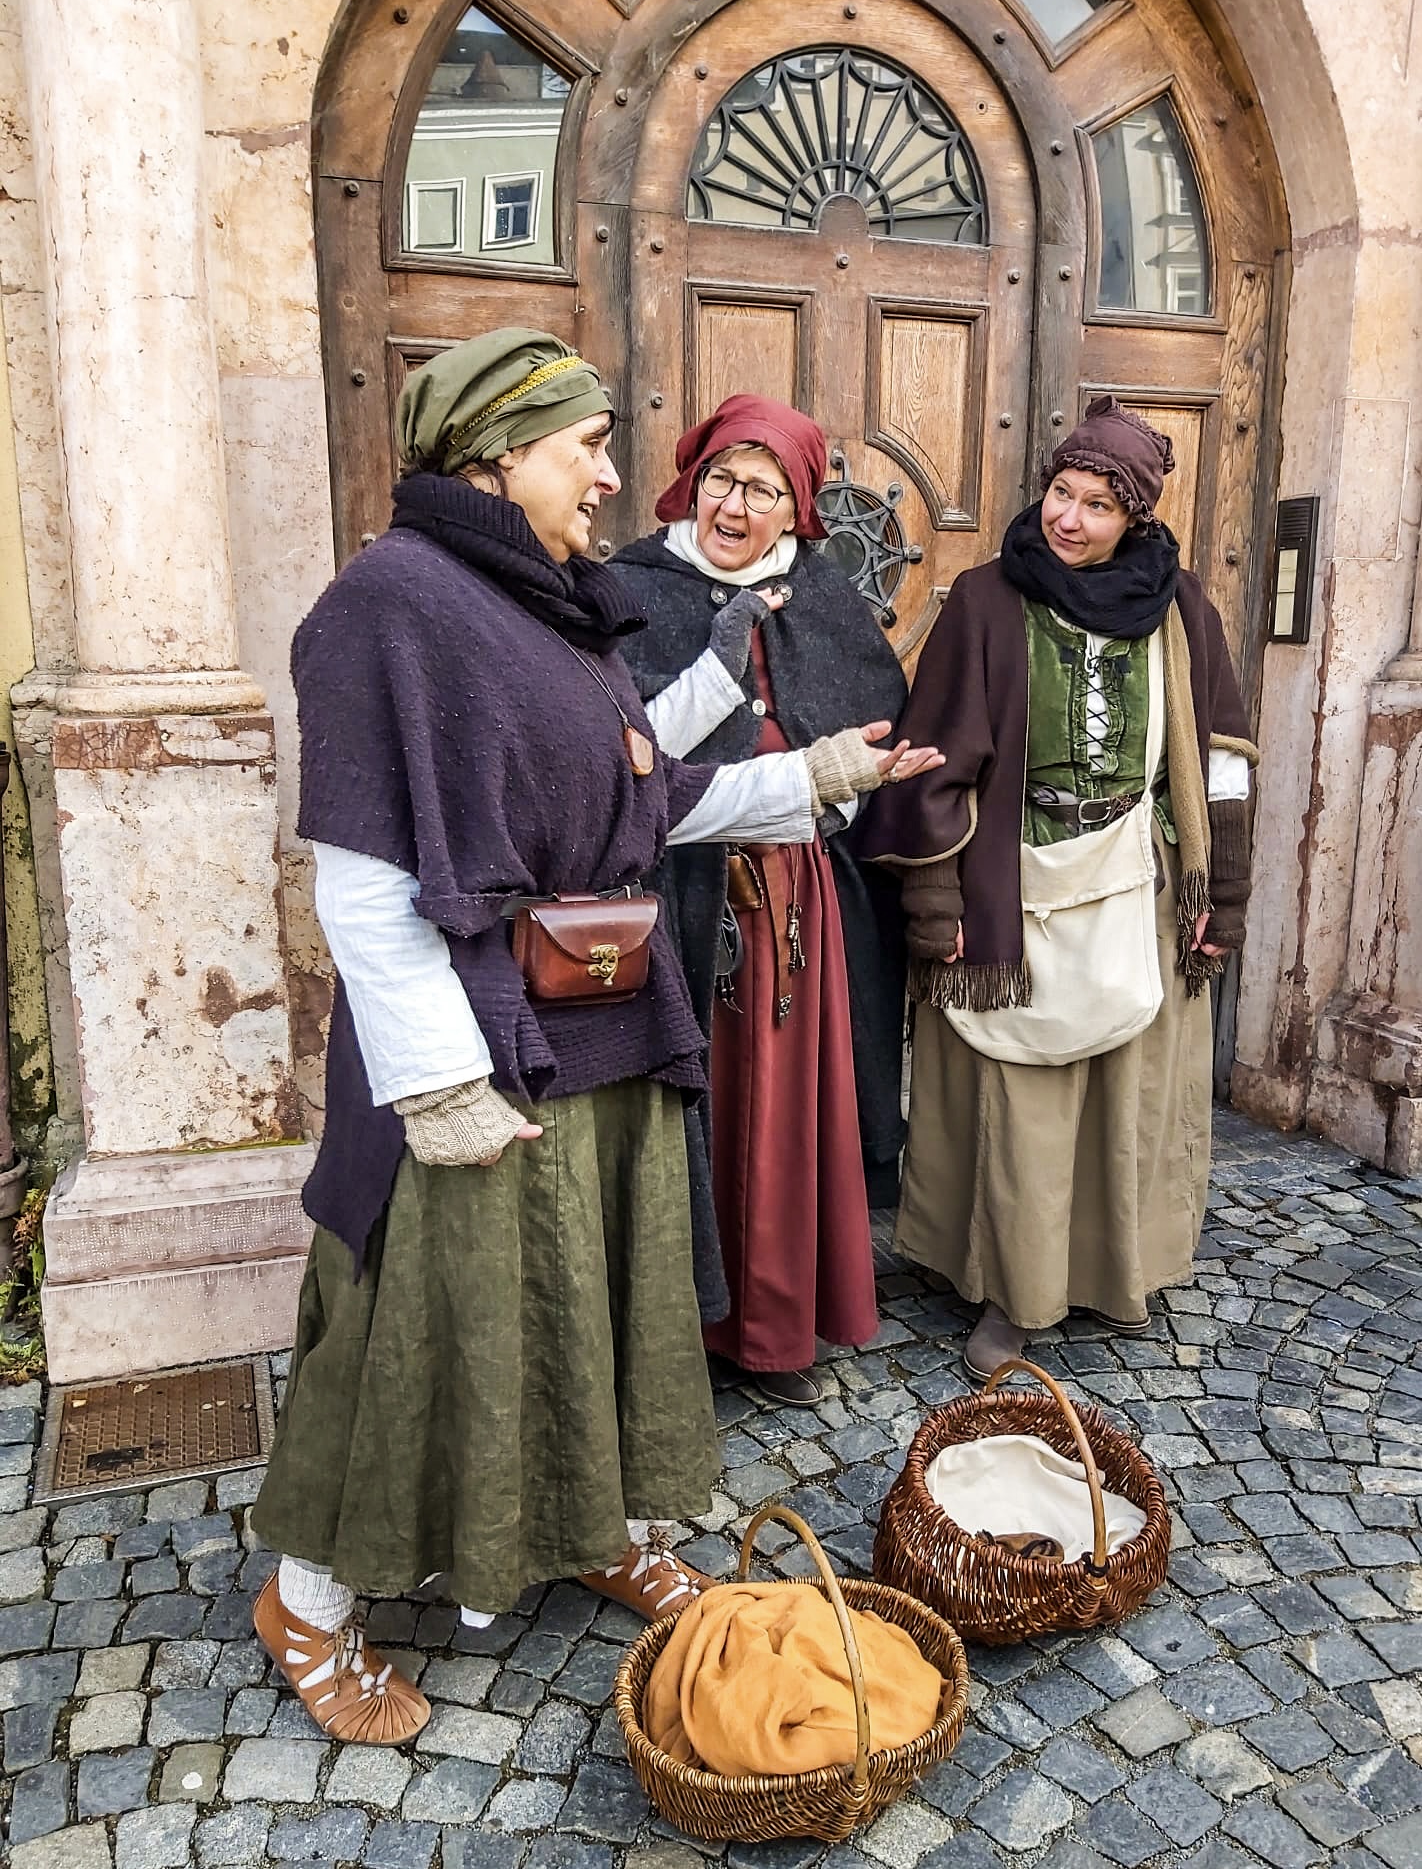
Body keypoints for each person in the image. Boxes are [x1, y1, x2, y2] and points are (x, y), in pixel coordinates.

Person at [247, 331, 942, 1745]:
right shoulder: (390, 605)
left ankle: (597, 1524)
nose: (618, 475)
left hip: (612, 1035)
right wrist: (435, 1081)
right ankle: (309, 1603)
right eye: (586, 445)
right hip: (481, 1056)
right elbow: (363, 878)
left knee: (606, 1303)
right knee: (421, 1332)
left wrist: (810, 774)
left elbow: (643, 810)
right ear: (500, 451)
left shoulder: (557, 611)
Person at [858, 397, 1257, 1382]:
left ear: (1138, 519)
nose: (1067, 518)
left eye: (1095, 504)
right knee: (1024, 1100)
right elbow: (933, 761)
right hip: (1015, 885)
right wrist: (937, 902)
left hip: (1135, 882)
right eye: (1059, 493)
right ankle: (1012, 1290)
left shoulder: (1181, 608)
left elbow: (1225, 762)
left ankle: (1118, 1270)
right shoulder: (987, 600)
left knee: (1124, 1096)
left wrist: (1228, 887)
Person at [615, 396, 910, 1407]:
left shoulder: (822, 596)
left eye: (765, 490)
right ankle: (680, 1332)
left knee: (785, 1114)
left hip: (791, 897)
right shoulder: (628, 589)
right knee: (688, 1110)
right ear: (691, 481)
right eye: (723, 482)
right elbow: (624, 758)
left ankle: (775, 1330)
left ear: (799, 512)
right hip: (674, 896)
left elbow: (873, 727)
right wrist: (721, 657)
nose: (736, 506)